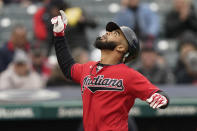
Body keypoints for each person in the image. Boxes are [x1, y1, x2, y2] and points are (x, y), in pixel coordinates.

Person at [52, 11, 169, 131]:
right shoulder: (87, 68)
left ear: (121, 48)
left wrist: (161, 98)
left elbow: (158, 94)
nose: (107, 33)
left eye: (115, 34)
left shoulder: (129, 75)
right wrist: (59, 35)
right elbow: (68, 67)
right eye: (109, 31)